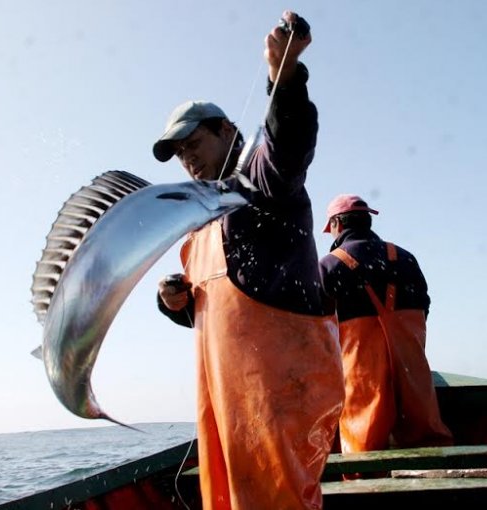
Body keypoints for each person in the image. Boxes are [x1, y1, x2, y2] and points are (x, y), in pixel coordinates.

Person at [153, 12, 344, 510]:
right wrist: (176, 304)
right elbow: (214, 311)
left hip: (284, 384)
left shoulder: (259, 176)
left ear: (225, 130)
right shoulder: (200, 218)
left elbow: (290, 142)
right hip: (226, 397)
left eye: (194, 144)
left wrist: (285, 75)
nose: (189, 160)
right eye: (180, 154)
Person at [318, 194, 454, 454]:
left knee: (363, 449)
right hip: (411, 368)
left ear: (336, 223)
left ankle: (366, 490)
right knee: (427, 443)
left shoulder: (329, 265)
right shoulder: (406, 259)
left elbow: (316, 331)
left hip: (362, 377)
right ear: (367, 221)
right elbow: (424, 307)